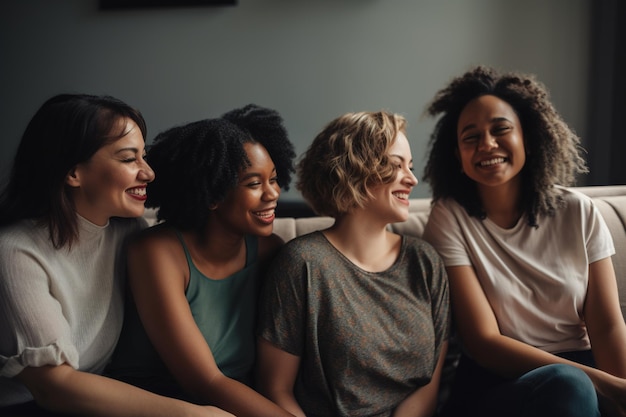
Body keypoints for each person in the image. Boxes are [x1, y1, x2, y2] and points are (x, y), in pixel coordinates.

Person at [0, 94, 233, 417]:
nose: (148, 173)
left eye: (144, 156)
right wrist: (192, 414)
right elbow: (53, 386)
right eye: (128, 159)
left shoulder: (128, 231)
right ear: (73, 173)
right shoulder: (14, 252)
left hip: (97, 396)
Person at [421, 65, 626, 417]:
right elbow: (482, 343)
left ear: (527, 139)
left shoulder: (579, 212)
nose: (487, 144)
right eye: (471, 137)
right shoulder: (449, 217)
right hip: (500, 384)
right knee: (570, 386)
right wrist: (602, 384)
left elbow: (607, 326)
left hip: (585, 373)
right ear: (457, 155)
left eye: (500, 129)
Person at [256, 111, 450, 417]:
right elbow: (275, 389)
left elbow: (428, 385)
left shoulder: (425, 262)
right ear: (353, 169)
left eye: (410, 167)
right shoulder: (302, 263)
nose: (412, 179)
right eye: (395, 165)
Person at [107, 104, 296, 417]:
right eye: (254, 183)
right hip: (161, 404)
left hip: (237, 403)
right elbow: (204, 381)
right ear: (212, 195)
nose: (272, 193)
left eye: (274, 179)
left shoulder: (270, 250)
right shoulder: (157, 251)